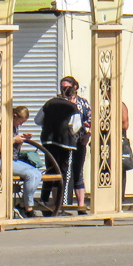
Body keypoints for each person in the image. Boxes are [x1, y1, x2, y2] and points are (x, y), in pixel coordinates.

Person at [61, 76, 92, 209]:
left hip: (79, 141)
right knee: (65, 172)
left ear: (74, 87)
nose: (64, 90)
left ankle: (80, 205)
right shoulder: (59, 103)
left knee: (78, 172)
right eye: (62, 87)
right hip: (63, 142)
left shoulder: (83, 103)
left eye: (66, 87)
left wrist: (88, 135)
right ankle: (64, 204)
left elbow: (91, 120)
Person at [10, 106, 44, 218]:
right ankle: (28, 207)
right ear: (14, 117)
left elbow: (16, 150)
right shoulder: (4, 126)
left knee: (37, 173)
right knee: (30, 174)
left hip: (13, 159)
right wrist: (14, 139)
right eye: (20, 121)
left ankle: (23, 204)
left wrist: (22, 140)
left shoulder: (15, 128)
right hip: (2, 160)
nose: (20, 124)